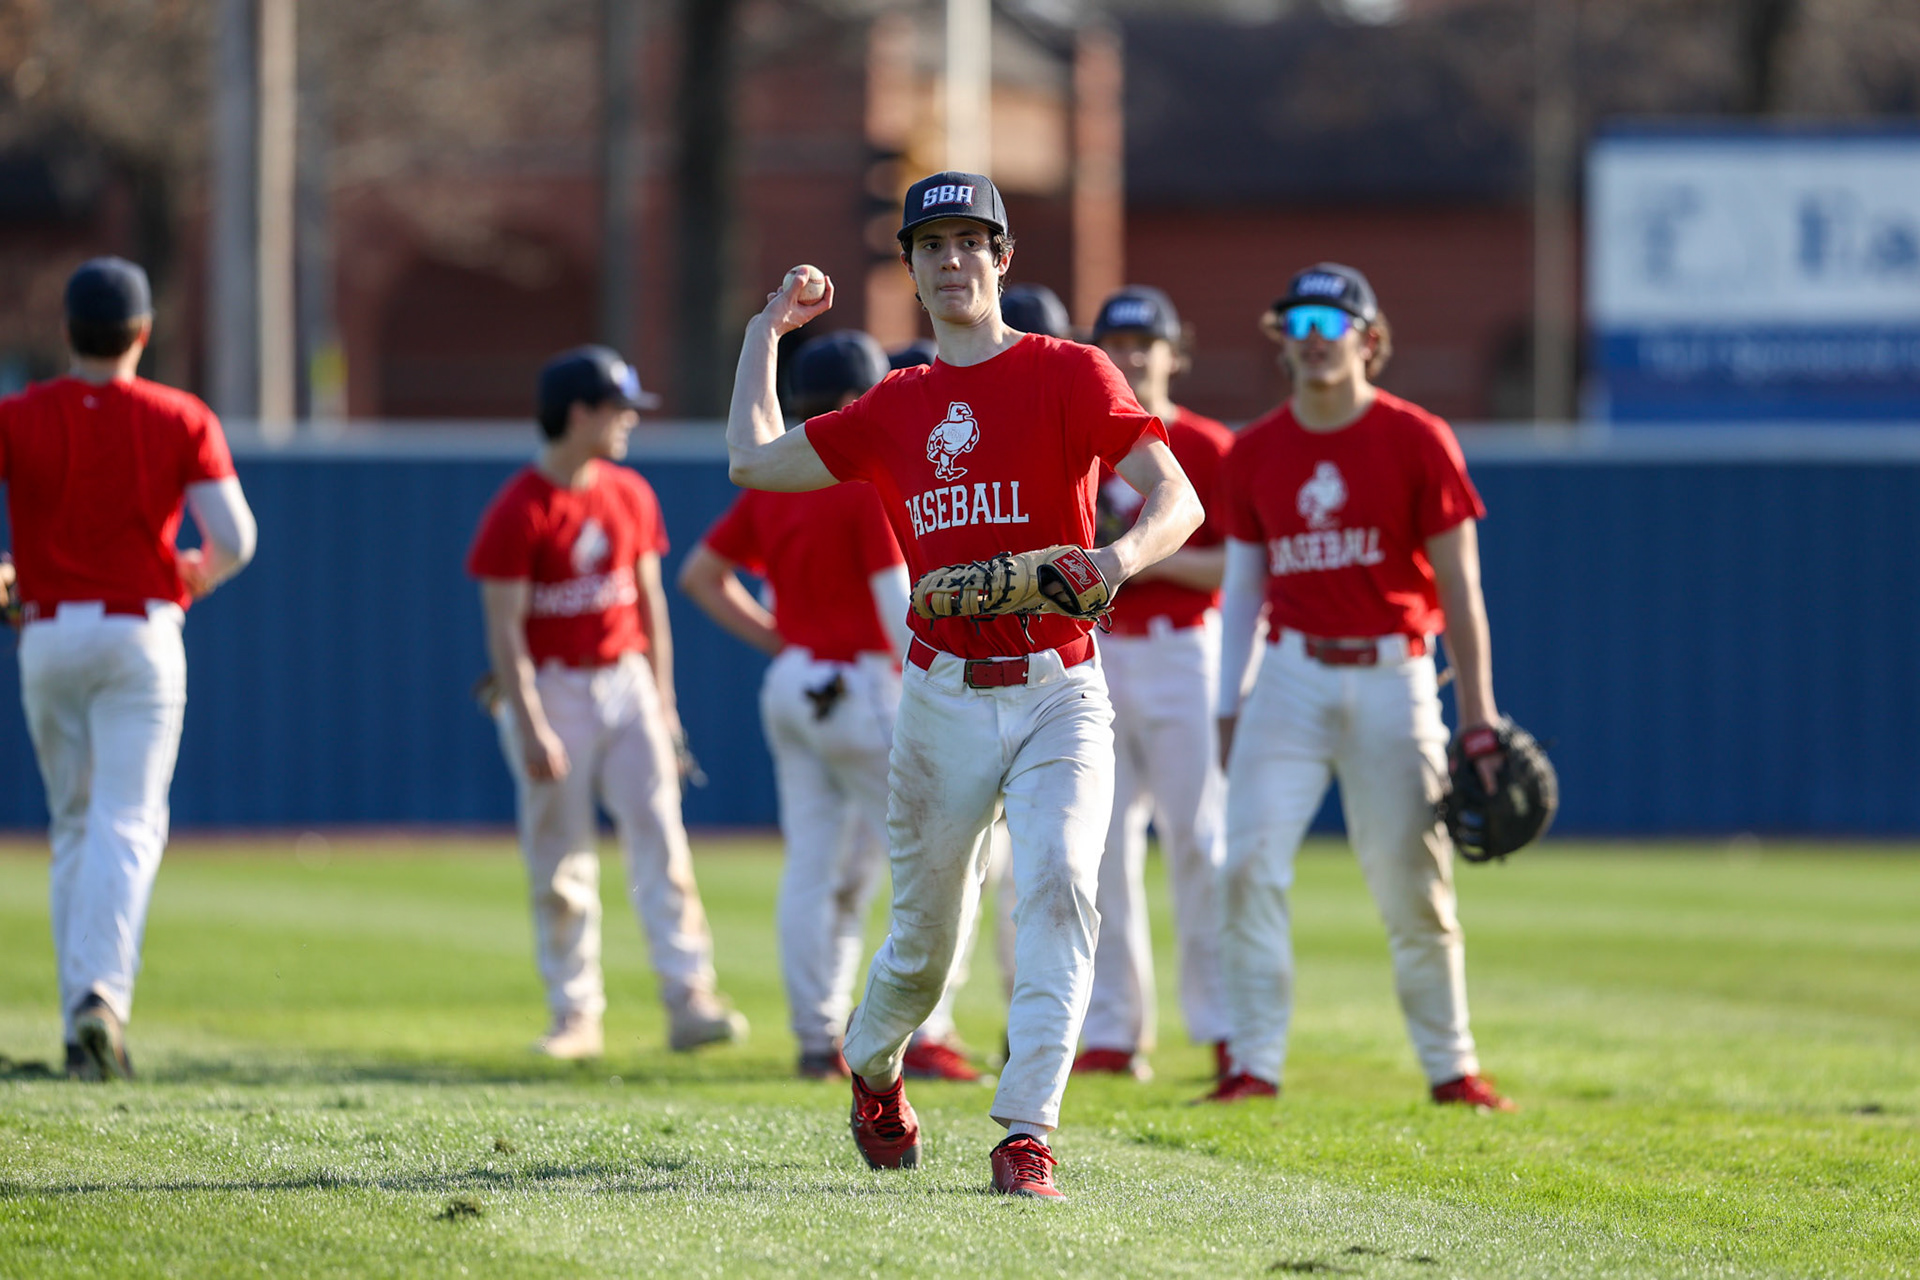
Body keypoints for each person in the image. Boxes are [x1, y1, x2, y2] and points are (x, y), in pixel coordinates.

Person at [724, 172, 1202, 1198]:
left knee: (1064, 886)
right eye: (930, 245)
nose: (952, 262)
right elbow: (752, 463)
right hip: (939, 694)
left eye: (970, 242)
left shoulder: (1071, 374)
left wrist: (1114, 562)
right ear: (910, 267)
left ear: (1003, 256)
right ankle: (874, 1066)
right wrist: (768, 329)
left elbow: (1180, 497)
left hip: (1060, 680)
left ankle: (1027, 1130)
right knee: (923, 942)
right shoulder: (897, 405)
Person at [1202, 263, 1515, 1111]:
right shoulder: (1256, 449)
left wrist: (1479, 715)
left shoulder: (1418, 438)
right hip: (1292, 675)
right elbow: (1243, 594)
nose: (1310, 339)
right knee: (1246, 867)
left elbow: (1462, 590)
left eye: (1328, 323)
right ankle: (1253, 1066)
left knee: (1415, 883)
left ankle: (1453, 1069)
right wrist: (1228, 706)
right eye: (1296, 323)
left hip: (1394, 674)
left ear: (1368, 340)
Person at [678, 329, 979, 1084]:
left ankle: (816, 1035)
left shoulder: (775, 478)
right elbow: (894, 607)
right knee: (940, 856)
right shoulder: (863, 479)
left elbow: (701, 575)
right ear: (854, 402)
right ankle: (929, 1029)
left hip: (796, 685)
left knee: (815, 868)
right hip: (869, 686)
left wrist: (783, 640)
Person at [0, 256, 258, 1081]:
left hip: (45, 634)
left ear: (67, 332)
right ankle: (99, 1004)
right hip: (140, 630)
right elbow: (237, 538)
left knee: (74, 824)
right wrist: (199, 573)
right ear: (143, 333)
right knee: (128, 820)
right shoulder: (179, 415)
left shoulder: (20, 414)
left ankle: (85, 1011)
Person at [467, 345, 746, 1061]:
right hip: (551, 687)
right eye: (617, 408)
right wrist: (529, 724)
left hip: (624, 681)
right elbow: (504, 630)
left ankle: (690, 1000)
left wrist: (664, 703)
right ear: (579, 412)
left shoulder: (629, 493)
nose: (628, 421)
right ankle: (575, 1015)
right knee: (560, 858)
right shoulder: (520, 508)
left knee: (662, 841)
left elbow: (649, 603)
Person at [1075, 286, 1235, 1083]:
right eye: (1119, 340)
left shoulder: (1207, 443)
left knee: (1200, 843)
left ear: (1179, 350)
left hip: (1183, 649)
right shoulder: (1088, 437)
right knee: (1102, 852)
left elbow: (1240, 560)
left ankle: (1224, 1029)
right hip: (1103, 651)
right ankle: (1113, 1031)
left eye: (1149, 340)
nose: (1134, 354)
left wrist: (1131, 558)